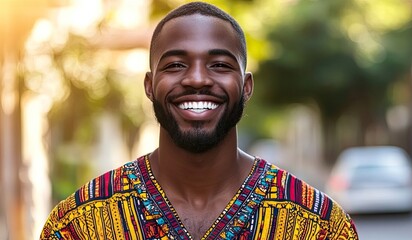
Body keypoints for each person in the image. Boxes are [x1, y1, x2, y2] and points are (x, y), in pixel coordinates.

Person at [40, 2, 358, 239]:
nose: (196, 79)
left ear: (246, 86)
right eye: (176, 65)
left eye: (219, 65)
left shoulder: (316, 226)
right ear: (149, 85)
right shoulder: (79, 226)